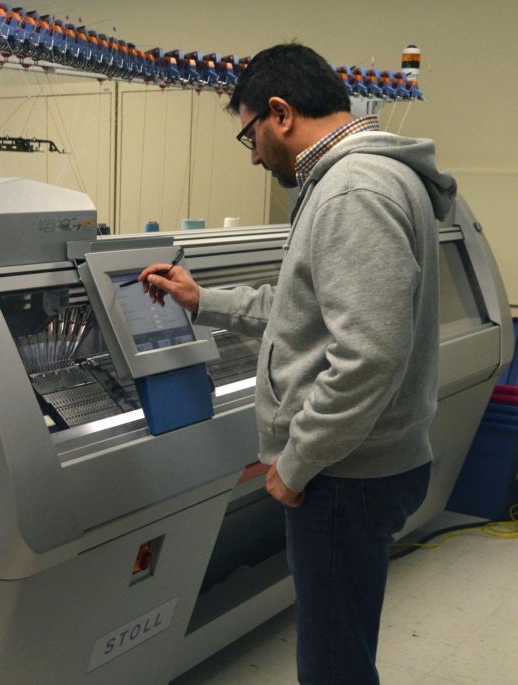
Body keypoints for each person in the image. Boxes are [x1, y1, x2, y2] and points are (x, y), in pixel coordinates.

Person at [138, 43, 457, 685]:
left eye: (249, 133)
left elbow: (368, 356)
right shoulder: (365, 180)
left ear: (280, 114)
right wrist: (204, 300)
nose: (254, 154)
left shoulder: (351, 191)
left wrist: (297, 461)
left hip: (344, 474)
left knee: (332, 662)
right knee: (341, 639)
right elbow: (304, 310)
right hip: (366, 463)